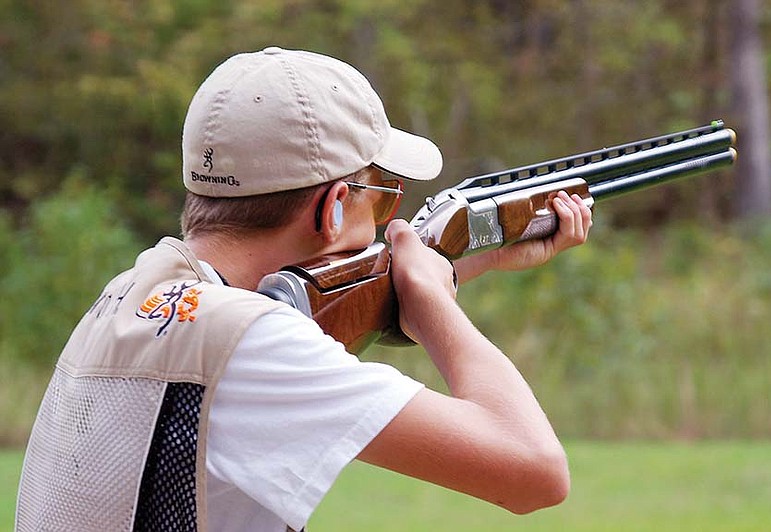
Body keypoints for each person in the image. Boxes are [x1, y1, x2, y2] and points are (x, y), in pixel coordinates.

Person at [16, 46, 592, 532]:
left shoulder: (140, 294)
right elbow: (534, 471)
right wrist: (436, 303)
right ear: (335, 206)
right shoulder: (253, 344)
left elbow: (332, 305)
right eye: (384, 199)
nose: (388, 225)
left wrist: (467, 264)